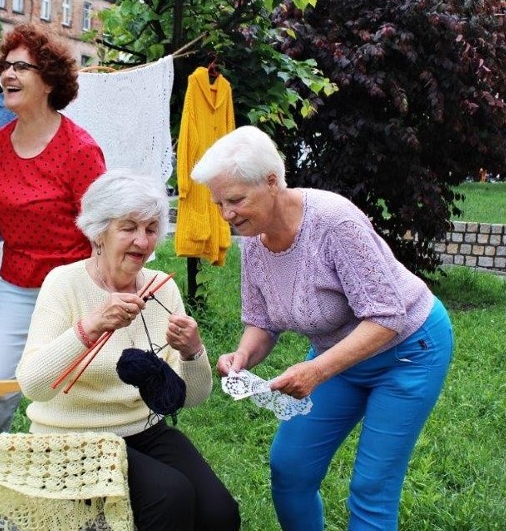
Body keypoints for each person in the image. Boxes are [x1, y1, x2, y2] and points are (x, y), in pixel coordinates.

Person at [190, 125, 454, 531]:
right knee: (290, 468)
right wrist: (243, 355)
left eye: (236, 200)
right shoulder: (255, 240)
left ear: (272, 182)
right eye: (219, 202)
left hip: (409, 351)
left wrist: (316, 370)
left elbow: (387, 316)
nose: (226, 214)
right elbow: (261, 321)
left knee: (372, 487)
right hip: (340, 356)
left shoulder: (333, 223)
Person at [16, 169, 241, 531]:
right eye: (128, 227)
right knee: (171, 496)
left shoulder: (161, 289)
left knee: (220, 512)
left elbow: (190, 399)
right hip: (74, 439)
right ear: (98, 231)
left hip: (143, 428)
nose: (142, 240)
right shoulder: (64, 284)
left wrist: (193, 353)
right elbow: (32, 384)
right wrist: (90, 326)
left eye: (151, 229)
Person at [0, 22, 106, 432]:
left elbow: (103, 234)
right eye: (5, 65)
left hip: (73, 289)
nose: (7, 74)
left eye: (21, 67)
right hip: (17, 287)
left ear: (49, 82)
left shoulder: (81, 150)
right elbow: (9, 217)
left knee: (73, 395)